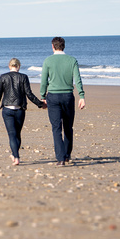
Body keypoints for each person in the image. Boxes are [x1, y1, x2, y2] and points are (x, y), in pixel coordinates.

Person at [0, 58, 46, 165]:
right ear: (19, 66)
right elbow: (29, 94)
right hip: (19, 110)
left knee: (12, 134)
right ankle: (15, 155)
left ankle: (16, 157)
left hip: (7, 110)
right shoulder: (23, 77)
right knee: (17, 134)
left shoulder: (3, 77)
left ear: (9, 66)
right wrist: (40, 104)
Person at [39, 36, 85, 165]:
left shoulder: (48, 61)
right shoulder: (72, 60)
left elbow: (44, 81)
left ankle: (60, 159)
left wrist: (43, 97)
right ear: (63, 46)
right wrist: (82, 96)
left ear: (53, 46)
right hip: (68, 96)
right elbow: (78, 79)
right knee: (68, 127)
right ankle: (66, 155)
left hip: (53, 96)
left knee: (56, 128)